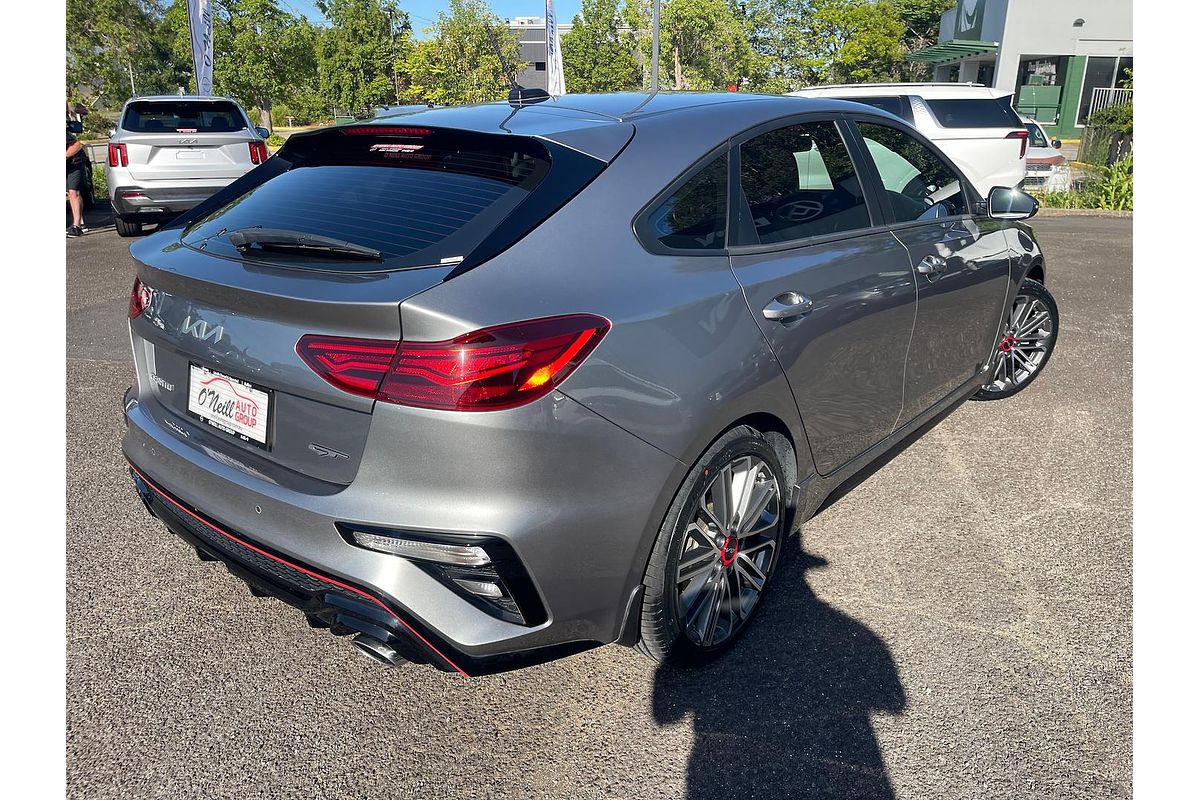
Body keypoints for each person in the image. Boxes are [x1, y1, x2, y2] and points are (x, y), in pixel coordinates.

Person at [66, 126, 88, 237]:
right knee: (70, 193)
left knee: (74, 191)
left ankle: (77, 226)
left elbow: (77, 145)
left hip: (75, 163)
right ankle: (81, 221)